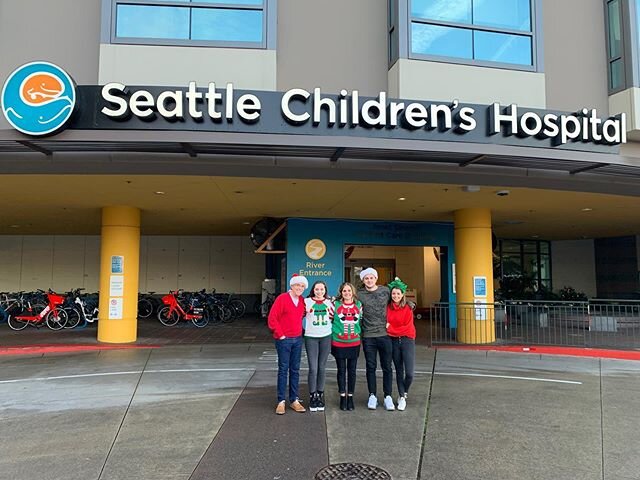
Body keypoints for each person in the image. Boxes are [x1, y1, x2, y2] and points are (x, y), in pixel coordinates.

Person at [268, 273, 308, 415]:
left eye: (302, 286)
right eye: (298, 285)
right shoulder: (282, 299)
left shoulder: (302, 300)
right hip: (284, 340)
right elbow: (272, 318)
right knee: (283, 369)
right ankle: (281, 401)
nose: (300, 288)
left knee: (295, 370)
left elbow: (303, 314)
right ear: (292, 285)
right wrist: (281, 335)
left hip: (297, 339)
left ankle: (294, 400)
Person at [358, 267, 395, 411]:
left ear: (376, 278)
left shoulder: (385, 291)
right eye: (366, 278)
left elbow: (398, 299)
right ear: (363, 280)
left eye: (371, 277)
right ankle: (372, 395)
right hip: (368, 336)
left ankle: (388, 396)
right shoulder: (359, 294)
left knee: (387, 367)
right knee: (370, 367)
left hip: (385, 335)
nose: (369, 280)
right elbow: (346, 299)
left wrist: (410, 305)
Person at [386, 277, 416, 411]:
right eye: (393, 293)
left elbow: (407, 328)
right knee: (399, 370)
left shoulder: (408, 308)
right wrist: (391, 329)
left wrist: (390, 328)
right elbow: (385, 323)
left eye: (398, 293)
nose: (396, 296)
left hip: (407, 340)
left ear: (402, 294)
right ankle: (401, 396)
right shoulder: (387, 308)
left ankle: (404, 391)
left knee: (409, 373)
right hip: (393, 341)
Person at [331, 282, 362, 411]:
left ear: (353, 292)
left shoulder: (359, 305)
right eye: (344, 291)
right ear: (341, 293)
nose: (347, 293)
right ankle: (342, 396)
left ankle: (350, 396)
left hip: (354, 342)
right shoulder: (335, 305)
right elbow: (330, 319)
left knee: (352, 371)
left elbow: (360, 320)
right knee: (341, 370)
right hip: (339, 342)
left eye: (349, 291)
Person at [304, 281, 334, 412]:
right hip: (311, 337)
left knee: (322, 367)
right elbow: (298, 315)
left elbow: (334, 318)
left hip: (325, 337)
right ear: (313, 290)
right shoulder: (306, 302)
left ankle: (320, 395)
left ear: (325, 290)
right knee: (313, 368)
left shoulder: (329, 303)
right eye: (317, 289)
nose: (319, 291)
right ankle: (312, 395)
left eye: (322, 289)